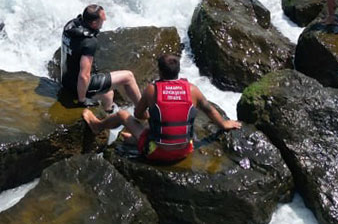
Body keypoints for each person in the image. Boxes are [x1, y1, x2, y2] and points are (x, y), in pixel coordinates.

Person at [82, 53, 241, 163]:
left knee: (123, 115)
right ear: (178, 71)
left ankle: (97, 126)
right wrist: (225, 124)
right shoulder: (192, 90)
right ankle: (135, 138)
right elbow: (209, 110)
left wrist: (148, 115)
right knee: (163, 120)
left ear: (159, 71)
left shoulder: (152, 90)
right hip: (186, 150)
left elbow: (138, 114)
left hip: (156, 153)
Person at [60, 4, 143, 112]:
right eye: (102, 20)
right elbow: (84, 76)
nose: (105, 20)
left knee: (108, 93)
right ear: (94, 23)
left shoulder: (70, 27)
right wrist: (82, 100)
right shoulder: (89, 42)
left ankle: (108, 113)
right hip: (77, 85)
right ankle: (143, 112)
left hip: (66, 79)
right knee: (128, 76)